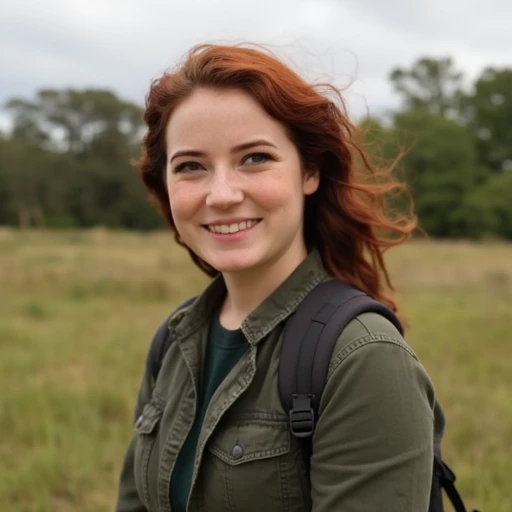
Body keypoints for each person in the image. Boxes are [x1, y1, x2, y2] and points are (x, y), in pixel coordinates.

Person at [115, 43, 445, 512]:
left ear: (309, 170)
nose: (222, 195)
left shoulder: (364, 358)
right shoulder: (173, 341)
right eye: (191, 166)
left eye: (255, 158)